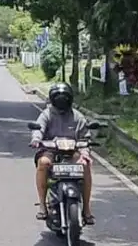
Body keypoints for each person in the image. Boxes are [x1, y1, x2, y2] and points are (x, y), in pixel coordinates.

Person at [29, 82, 94, 225]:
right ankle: (42, 205)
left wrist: (85, 153)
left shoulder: (78, 117)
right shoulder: (46, 114)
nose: (61, 100)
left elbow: (85, 137)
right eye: (58, 97)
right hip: (50, 149)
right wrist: (36, 139)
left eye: (64, 97)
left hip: (73, 151)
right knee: (43, 163)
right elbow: (38, 129)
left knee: (86, 165)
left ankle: (87, 209)